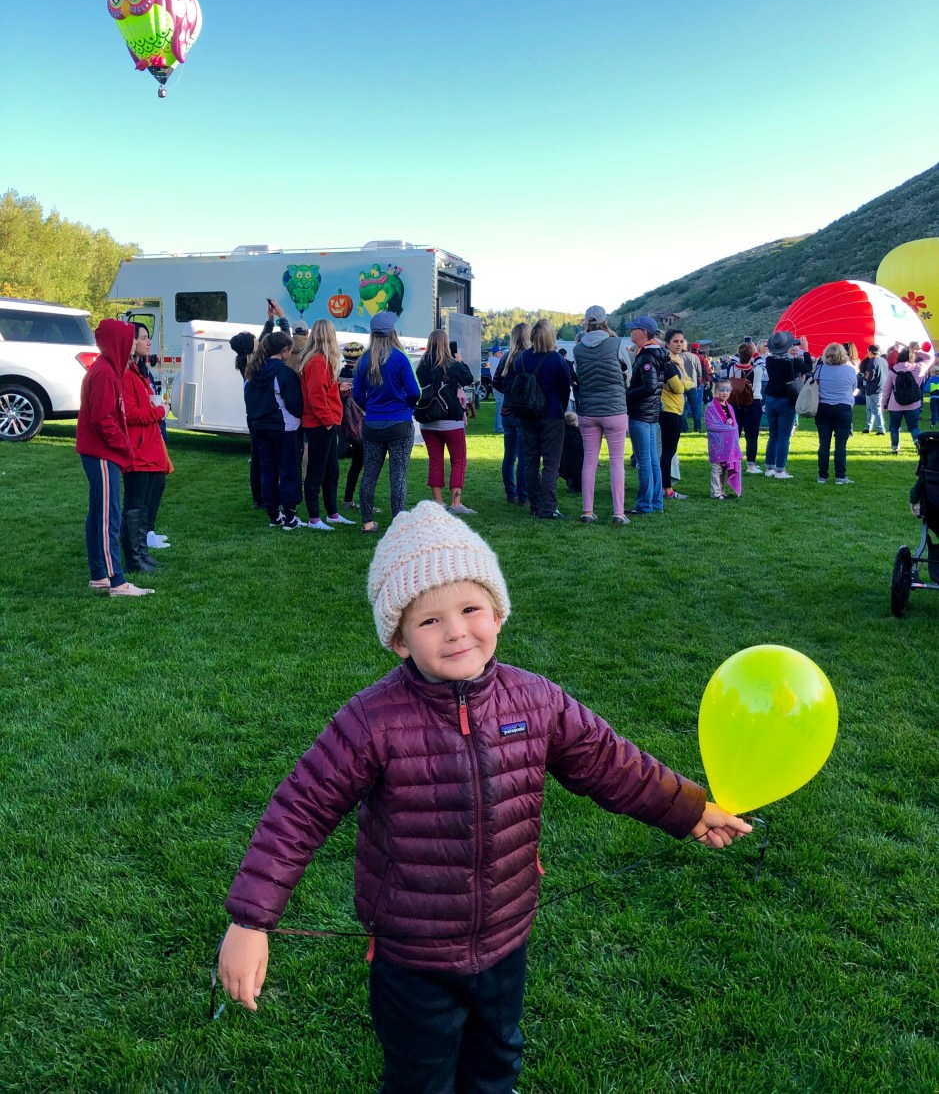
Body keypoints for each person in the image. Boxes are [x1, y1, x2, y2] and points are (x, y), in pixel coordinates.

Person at [217, 502, 751, 1092]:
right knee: (420, 1077)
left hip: (505, 935)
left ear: (498, 613)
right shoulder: (371, 721)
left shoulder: (536, 700)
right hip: (412, 952)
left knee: (496, 1061)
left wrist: (689, 809)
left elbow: (609, 762)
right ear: (399, 641)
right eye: (430, 620)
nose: (456, 631)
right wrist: (251, 921)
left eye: (470, 609)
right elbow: (300, 810)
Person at [74, 319, 154, 597]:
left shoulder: (108, 369)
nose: (133, 344)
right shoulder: (105, 373)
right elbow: (102, 420)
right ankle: (117, 581)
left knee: (99, 513)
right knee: (109, 517)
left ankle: (99, 575)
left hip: (99, 453)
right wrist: (125, 447)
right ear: (117, 342)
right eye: (129, 339)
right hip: (101, 454)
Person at [352, 312, 420, 533]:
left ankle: (367, 522)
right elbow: (415, 391)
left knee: (369, 475)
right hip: (399, 423)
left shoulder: (363, 360)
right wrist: (407, 406)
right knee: (397, 476)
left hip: (372, 424)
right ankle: (398, 524)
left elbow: (357, 395)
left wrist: (370, 409)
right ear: (392, 332)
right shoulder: (400, 358)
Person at [506, 318, 571, 519]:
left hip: (528, 415)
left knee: (530, 461)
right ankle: (548, 507)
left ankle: (535, 504)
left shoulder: (522, 358)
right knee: (551, 463)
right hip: (552, 416)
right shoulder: (557, 360)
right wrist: (560, 408)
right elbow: (565, 388)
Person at [572, 305, 632, 525]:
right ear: (605, 321)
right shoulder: (616, 344)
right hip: (615, 409)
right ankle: (618, 513)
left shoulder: (578, 349)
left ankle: (587, 511)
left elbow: (579, 375)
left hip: (588, 410)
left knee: (589, 462)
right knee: (616, 462)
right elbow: (628, 373)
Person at [297, 320, 356, 531]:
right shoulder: (318, 362)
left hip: (325, 423)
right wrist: (328, 420)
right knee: (316, 471)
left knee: (331, 470)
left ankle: (332, 513)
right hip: (320, 424)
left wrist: (337, 386)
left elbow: (321, 389)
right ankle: (314, 517)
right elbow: (316, 396)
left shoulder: (319, 361)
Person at [121, 325, 171, 574]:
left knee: (143, 503)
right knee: (135, 504)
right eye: (142, 338)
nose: (147, 342)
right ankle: (134, 558)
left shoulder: (138, 371)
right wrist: (159, 411)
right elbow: (130, 414)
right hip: (138, 448)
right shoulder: (126, 374)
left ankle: (141, 552)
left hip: (148, 446)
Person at [244, 331, 304, 529]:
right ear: (285, 350)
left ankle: (274, 515)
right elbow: (294, 402)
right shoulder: (284, 373)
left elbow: (248, 400)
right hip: (284, 427)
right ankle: (290, 516)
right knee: (288, 470)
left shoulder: (253, 371)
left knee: (267, 470)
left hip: (260, 427)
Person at [416, 329, 476, 515]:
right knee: (458, 460)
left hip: (428, 420)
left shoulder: (421, 366)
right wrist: (460, 361)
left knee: (435, 460)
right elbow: (468, 378)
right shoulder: (453, 365)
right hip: (451, 420)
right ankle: (456, 504)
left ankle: (438, 502)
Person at [624, 315, 668, 514]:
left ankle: (644, 505)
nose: (631, 332)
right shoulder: (656, 353)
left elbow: (649, 386)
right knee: (652, 460)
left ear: (643, 332)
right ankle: (656, 502)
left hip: (641, 413)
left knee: (644, 462)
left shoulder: (646, 356)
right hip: (651, 414)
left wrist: (627, 395)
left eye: (634, 329)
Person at [763, 331, 813, 480]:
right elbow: (808, 367)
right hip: (786, 400)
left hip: (770, 399)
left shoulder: (769, 361)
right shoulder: (793, 362)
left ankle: (769, 467)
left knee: (773, 435)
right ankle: (780, 470)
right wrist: (806, 349)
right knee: (784, 437)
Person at [491, 323, 529, 508]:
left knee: (509, 456)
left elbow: (496, 382)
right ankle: (523, 496)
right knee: (524, 457)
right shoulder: (529, 357)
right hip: (523, 412)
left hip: (507, 410)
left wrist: (508, 392)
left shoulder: (505, 357)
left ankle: (511, 493)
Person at [814, 342, 859, 485]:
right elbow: (853, 387)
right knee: (840, 444)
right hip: (843, 408)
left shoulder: (820, 369)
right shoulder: (850, 370)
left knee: (824, 443)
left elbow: (815, 385)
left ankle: (822, 475)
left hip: (823, 408)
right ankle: (840, 476)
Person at [661, 328, 695, 501]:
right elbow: (679, 388)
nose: (679, 344)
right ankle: (666, 488)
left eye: (681, 341)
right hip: (668, 409)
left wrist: (684, 384)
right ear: (667, 343)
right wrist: (684, 384)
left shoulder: (678, 361)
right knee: (668, 451)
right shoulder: (668, 362)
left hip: (676, 408)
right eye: (675, 341)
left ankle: (664, 486)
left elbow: (690, 382)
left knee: (670, 450)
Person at [724, 342, 766, 475]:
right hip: (753, 403)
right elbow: (761, 362)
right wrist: (755, 351)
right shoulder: (758, 370)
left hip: (735, 404)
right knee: (752, 436)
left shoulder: (731, 368)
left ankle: (731, 462)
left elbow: (734, 359)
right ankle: (751, 465)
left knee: (734, 435)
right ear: (751, 356)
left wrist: (741, 350)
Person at [883, 344, 934, 453]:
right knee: (913, 427)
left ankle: (894, 448)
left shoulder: (893, 370)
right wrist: (916, 351)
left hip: (895, 404)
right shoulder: (919, 367)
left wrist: (884, 404)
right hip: (913, 403)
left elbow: (887, 389)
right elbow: (930, 357)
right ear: (912, 356)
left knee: (894, 427)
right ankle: (917, 441)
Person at [338, 340, 366, 508]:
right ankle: (360, 501)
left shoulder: (338, 375)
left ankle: (347, 499)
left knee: (353, 464)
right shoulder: (362, 376)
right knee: (362, 464)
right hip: (361, 425)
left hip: (342, 425)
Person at [705, 379, 741, 500]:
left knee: (724, 468)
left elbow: (734, 426)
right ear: (716, 391)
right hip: (717, 444)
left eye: (727, 390)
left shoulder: (729, 407)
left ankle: (721, 491)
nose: (725, 393)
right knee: (717, 468)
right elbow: (711, 425)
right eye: (721, 390)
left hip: (728, 445)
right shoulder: (711, 407)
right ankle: (715, 493)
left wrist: (731, 426)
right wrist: (728, 427)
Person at [859, 344, 887, 435]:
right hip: (881, 387)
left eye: (868, 352)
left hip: (873, 389)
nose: (867, 353)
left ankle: (881, 429)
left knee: (875, 409)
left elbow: (869, 377)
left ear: (871, 352)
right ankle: (868, 427)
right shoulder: (883, 360)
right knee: (871, 409)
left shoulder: (872, 362)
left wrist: (862, 376)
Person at [559, 410, 584, 494]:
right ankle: (577, 486)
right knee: (577, 472)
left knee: (568, 472)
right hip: (577, 458)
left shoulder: (562, 433)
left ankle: (571, 483)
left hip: (565, 458)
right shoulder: (578, 433)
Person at [489, 345, 505, 433]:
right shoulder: (496, 361)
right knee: (500, 408)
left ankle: (497, 426)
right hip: (499, 387)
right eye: (500, 352)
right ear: (497, 353)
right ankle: (499, 427)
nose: (502, 354)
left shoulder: (492, 360)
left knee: (499, 407)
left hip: (495, 386)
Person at [926, 363, 939, 428]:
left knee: (933, 411)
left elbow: (926, 389)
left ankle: (933, 424)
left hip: (933, 397)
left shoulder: (931, 380)